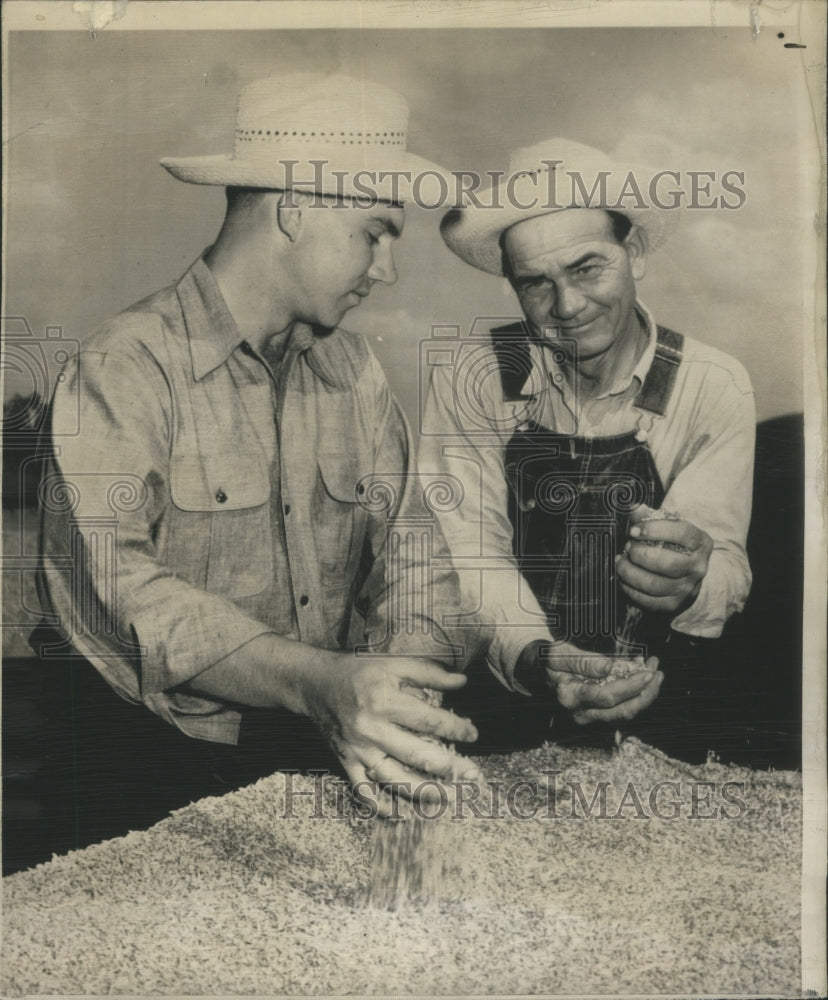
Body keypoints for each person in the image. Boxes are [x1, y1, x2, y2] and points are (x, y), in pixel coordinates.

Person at [35, 74, 488, 847]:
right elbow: (123, 594)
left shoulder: (355, 374)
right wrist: (324, 685)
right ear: (294, 210)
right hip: (136, 773)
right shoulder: (125, 366)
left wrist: (398, 695)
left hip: (317, 752)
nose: (388, 270)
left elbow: (416, 558)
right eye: (376, 232)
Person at [420, 139, 755, 757]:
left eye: (586, 268)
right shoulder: (473, 376)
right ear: (512, 289)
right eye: (536, 284)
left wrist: (694, 578)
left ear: (634, 253)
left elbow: (728, 564)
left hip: (662, 710)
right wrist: (536, 657)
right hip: (506, 698)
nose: (567, 307)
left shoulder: (715, 383)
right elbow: (468, 551)